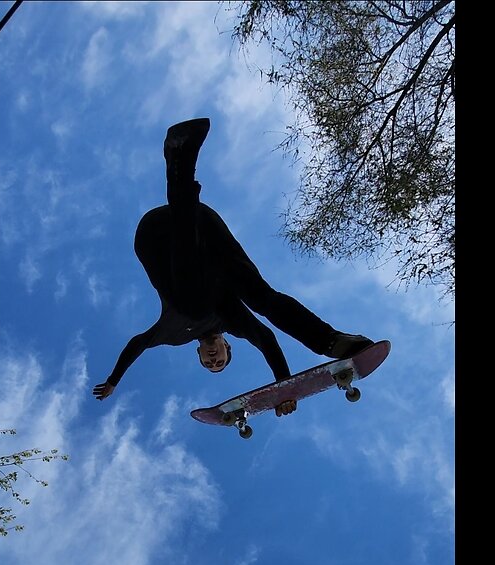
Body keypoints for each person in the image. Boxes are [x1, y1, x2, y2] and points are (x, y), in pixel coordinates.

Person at [92, 118, 373, 417]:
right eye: (219, 361)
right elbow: (266, 339)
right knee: (260, 297)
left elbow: (137, 345)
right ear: (228, 347)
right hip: (202, 231)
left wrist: (113, 381)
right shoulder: (234, 321)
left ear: (198, 352)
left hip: (155, 238)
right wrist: (284, 388)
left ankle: (179, 161)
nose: (214, 359)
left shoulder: (173, 333)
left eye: (209, 362)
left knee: (195, 305)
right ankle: (331, 341)